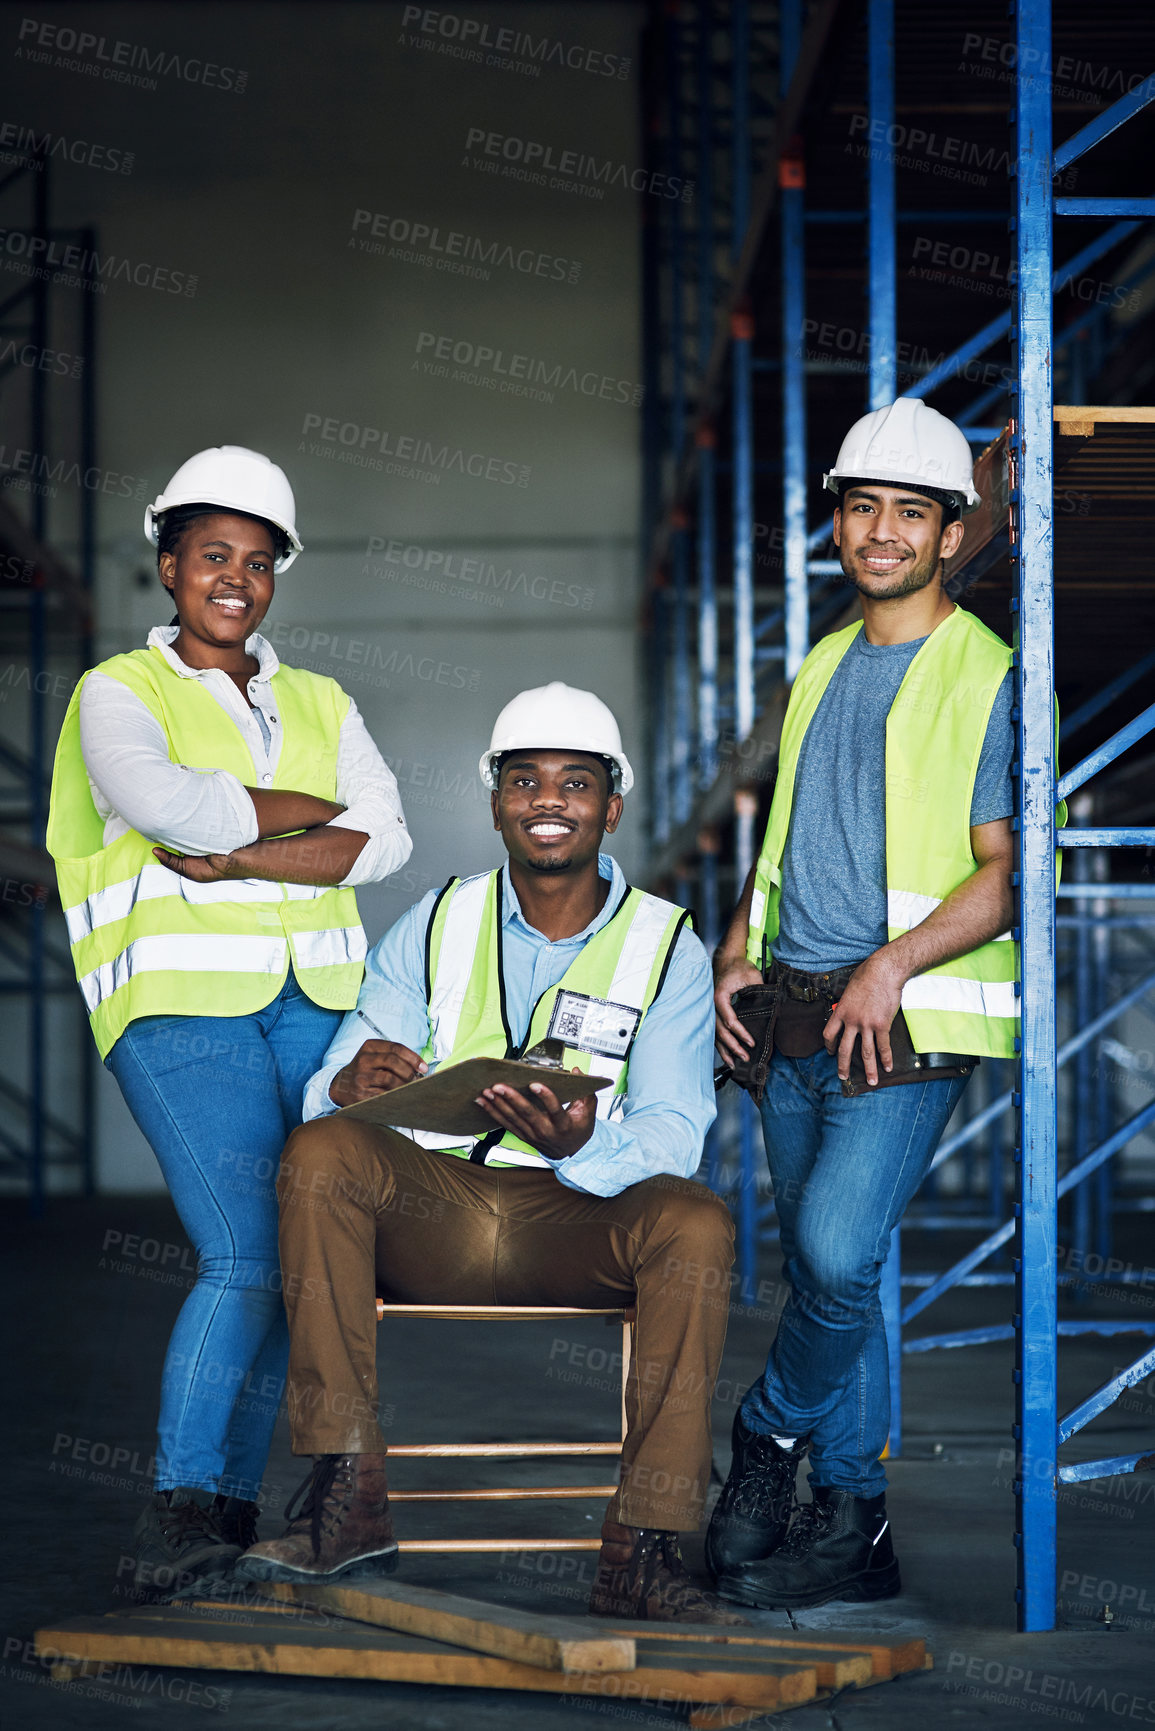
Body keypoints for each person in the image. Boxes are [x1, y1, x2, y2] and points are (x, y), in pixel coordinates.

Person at [235, 683, 743, 1624]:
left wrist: (585, 1144)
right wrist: (347, 1082)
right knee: (319, 1148)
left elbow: (677, 1129)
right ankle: (348, 1496)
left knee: (698, 1222)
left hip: (578, 1218)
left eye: (575, 782)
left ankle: (646, 1543)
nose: (548, 799)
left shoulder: (666, 943)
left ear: (611, 805)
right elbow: (348, 1068)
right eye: (525, 780)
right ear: (496, 800)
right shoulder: (435, 919)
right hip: (435, 1214)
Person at [47, 445, 413, 1593]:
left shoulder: (322, 697)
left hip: (317, 1007)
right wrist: (314, 818)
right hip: (177, 1008)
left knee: (308, 1259)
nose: (236, 580)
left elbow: (388, 837)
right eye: (213, 555)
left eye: (258, 562)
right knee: (246, 1248)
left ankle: (244, 1508)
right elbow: (158, 803)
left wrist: (241, 848)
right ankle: (182, 1504)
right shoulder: (118, 691)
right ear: (168, 565)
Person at [707, 398, 1027, 1611]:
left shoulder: (987, 674)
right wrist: (740, 943)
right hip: (786, 1012)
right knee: (835, 1279)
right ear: (837, 523)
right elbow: (783, 837)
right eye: (862, 507)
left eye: (911, 511)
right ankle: (855, 1524)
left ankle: (765, 1439)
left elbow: (1004, 872)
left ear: (953, 534)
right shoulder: (822, 666)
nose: (882, 530)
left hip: (899, 1020)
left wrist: (892, 966)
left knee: (836, 1252)